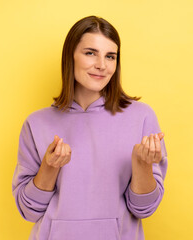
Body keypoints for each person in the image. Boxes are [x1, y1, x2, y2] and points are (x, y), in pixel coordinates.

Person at [12, 15, 168, 240]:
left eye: (110, 56)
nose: (102, 65)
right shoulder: (37, 123)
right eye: (90, 53)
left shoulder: (141, 116)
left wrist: (143, 164)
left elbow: (144, 208)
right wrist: (49, 166)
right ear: (70, 57)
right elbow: (29, 210)